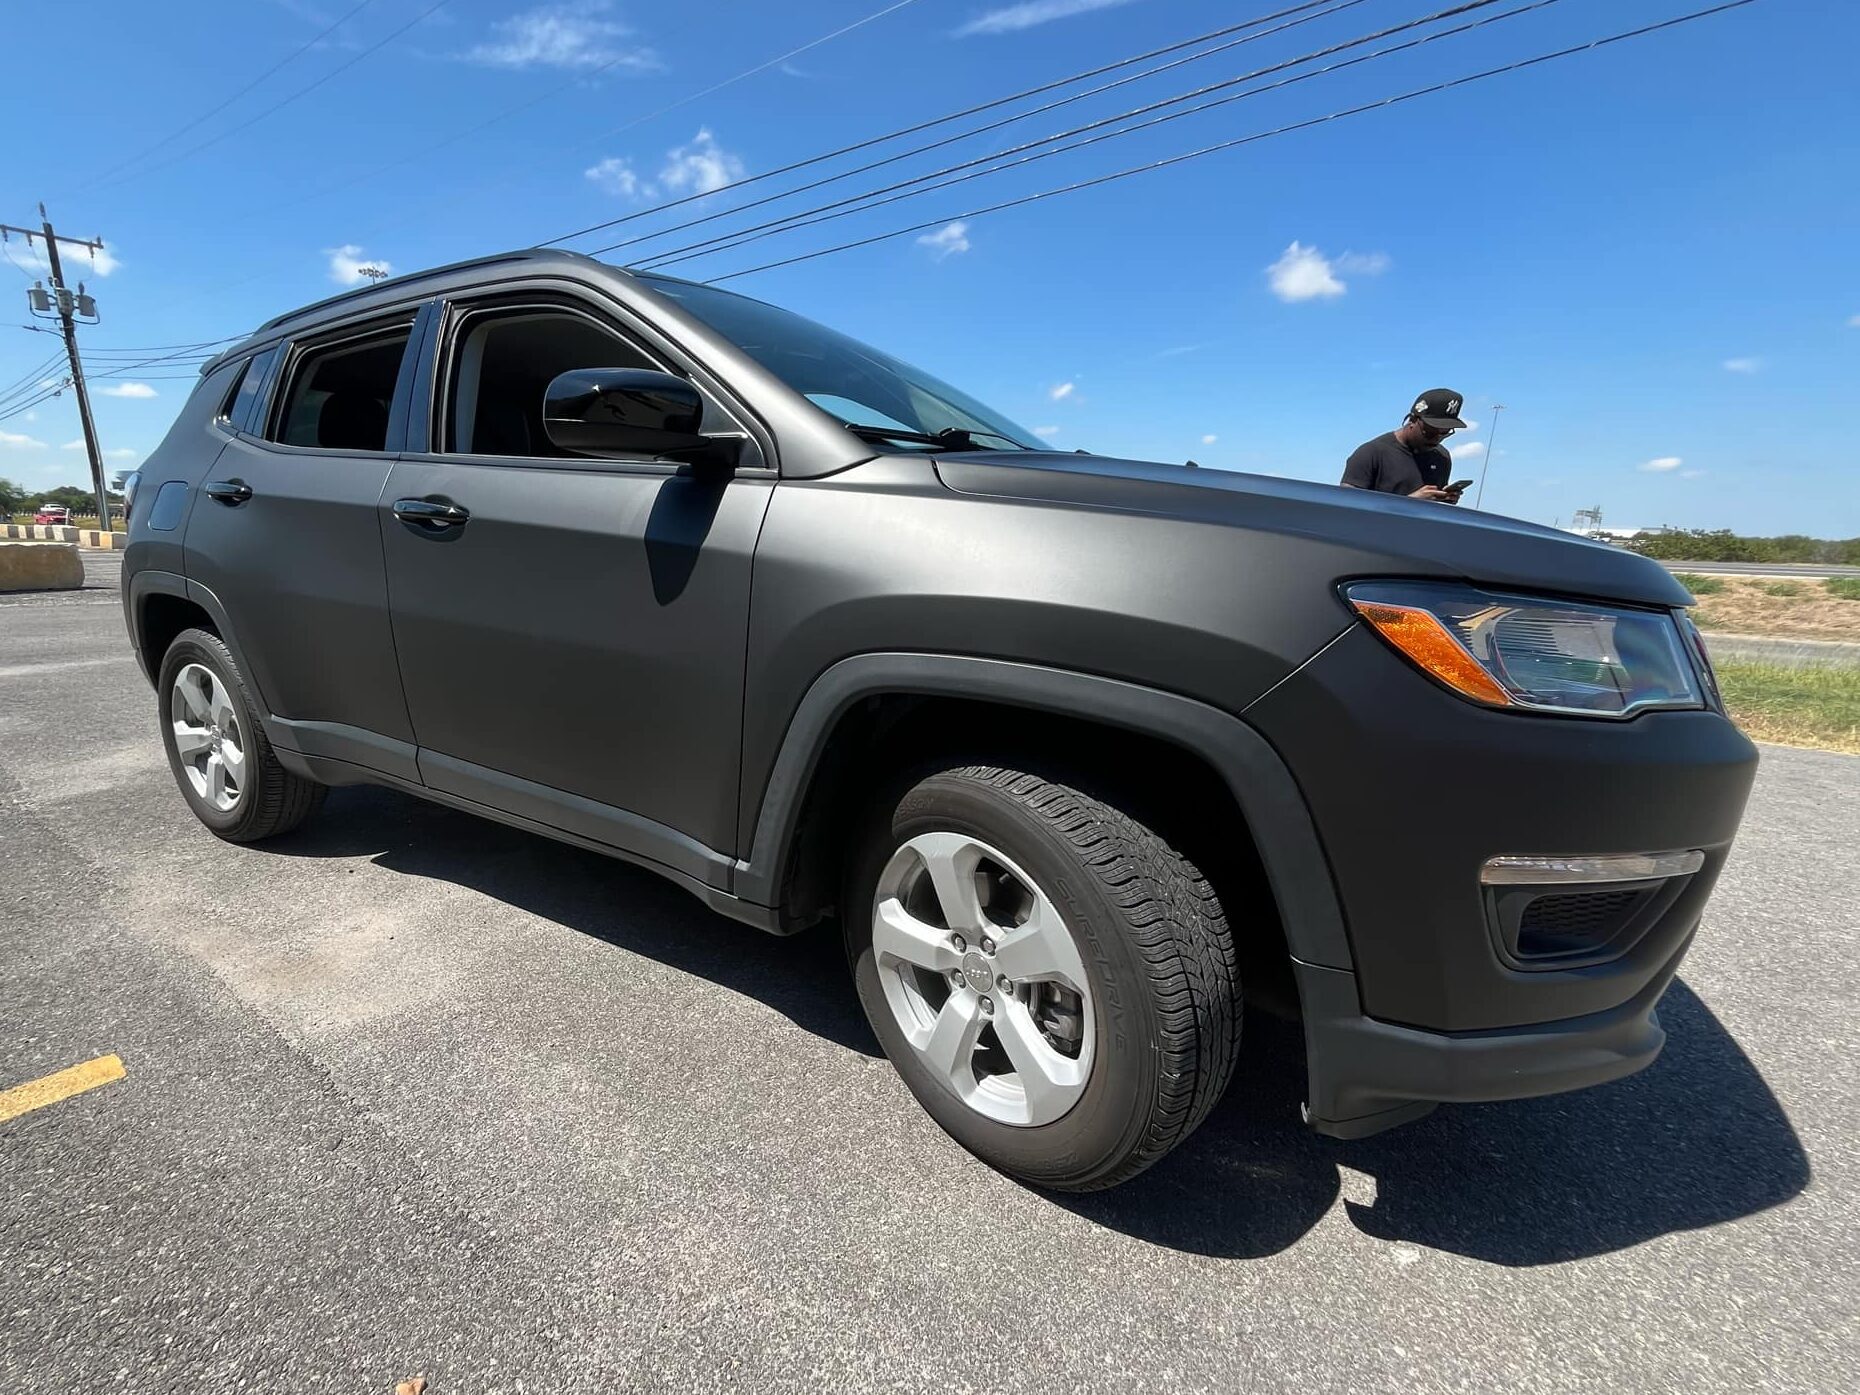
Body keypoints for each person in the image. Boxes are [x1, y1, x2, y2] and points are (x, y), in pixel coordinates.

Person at [1341, 388, 1470, 503]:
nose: (1437, 439)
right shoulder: (1371, 453)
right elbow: (1347, 506)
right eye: (1430, 432)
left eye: (1445, 433)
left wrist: (1445, 498)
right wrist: (1409, 502)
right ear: (1412, 420)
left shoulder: (1442, 456)